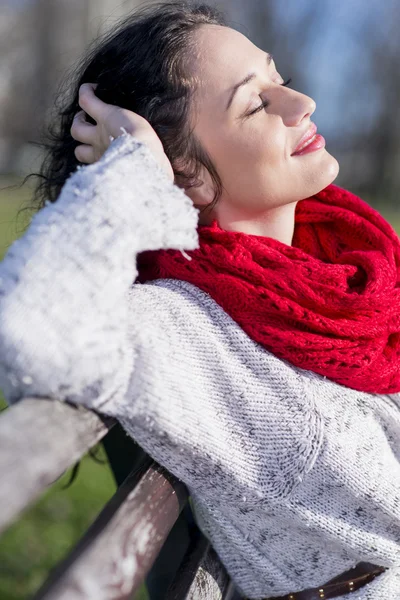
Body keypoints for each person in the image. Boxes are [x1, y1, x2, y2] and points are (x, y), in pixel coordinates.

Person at [0, 1, 400, 598]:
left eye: (278, 79)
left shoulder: (349, 265)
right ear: (184, 173)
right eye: (256, 104)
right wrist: (133, 168)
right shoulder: (187, 329)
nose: (301, 103)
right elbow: (35, 329)